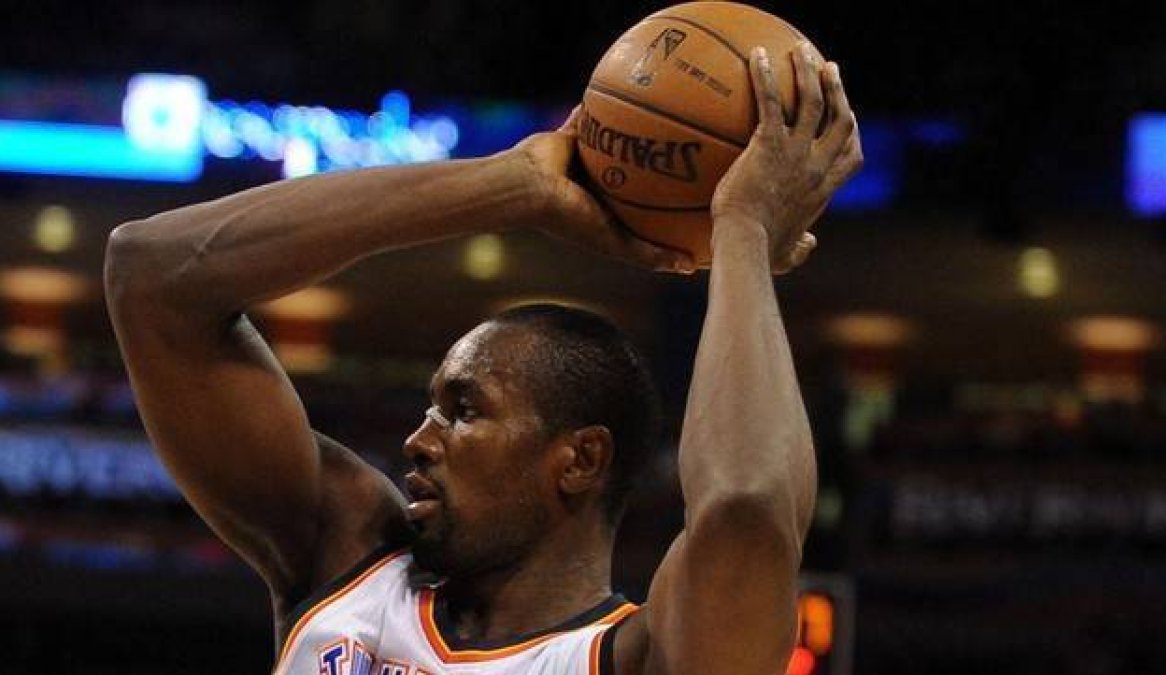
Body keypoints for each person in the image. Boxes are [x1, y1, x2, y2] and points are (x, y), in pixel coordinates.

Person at [104, 43, 862, 675]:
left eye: (464, 410)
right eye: (432, 407)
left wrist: (740, 230)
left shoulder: (635, 657)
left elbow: (749, 509)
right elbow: (152, 276)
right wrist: (512, 186)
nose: (418, 438)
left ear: (578, 459)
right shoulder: (346, 556)